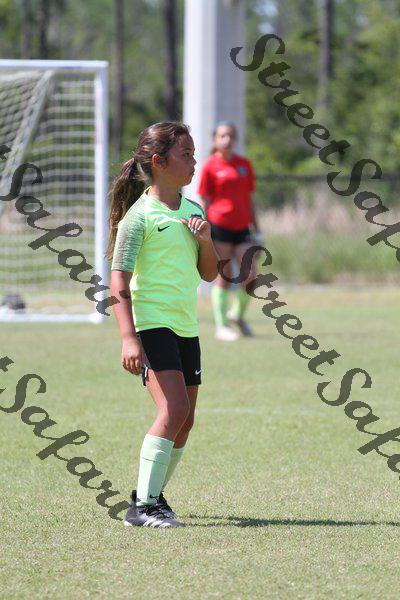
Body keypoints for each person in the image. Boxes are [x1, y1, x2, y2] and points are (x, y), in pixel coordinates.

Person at [106, 121, 218, 528]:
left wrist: (205, 240)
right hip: (152, 325)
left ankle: (150, 496)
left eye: (194, 154)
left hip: (186, 326)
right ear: (159, 161)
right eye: (186, 155)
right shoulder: (139, 217)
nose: (194, 162)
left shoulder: (193, 211)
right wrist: (128, 338)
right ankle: (143, 508)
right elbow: (118, 280)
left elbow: (209, 274)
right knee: (174, 409)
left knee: (185, 422)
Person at [197, 121, 261, 341]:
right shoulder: (210, 166)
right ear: (215, 140)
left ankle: (237, 314)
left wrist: (257, 229)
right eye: (223, 136)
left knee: (250, 275)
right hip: (219, 227)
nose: (228, 140)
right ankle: (222, 326)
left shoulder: (244, 165)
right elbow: (204, 200)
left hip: (242, 227)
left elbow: (249, 199)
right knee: (224, 276)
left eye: (231, 135)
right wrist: (204, 229)